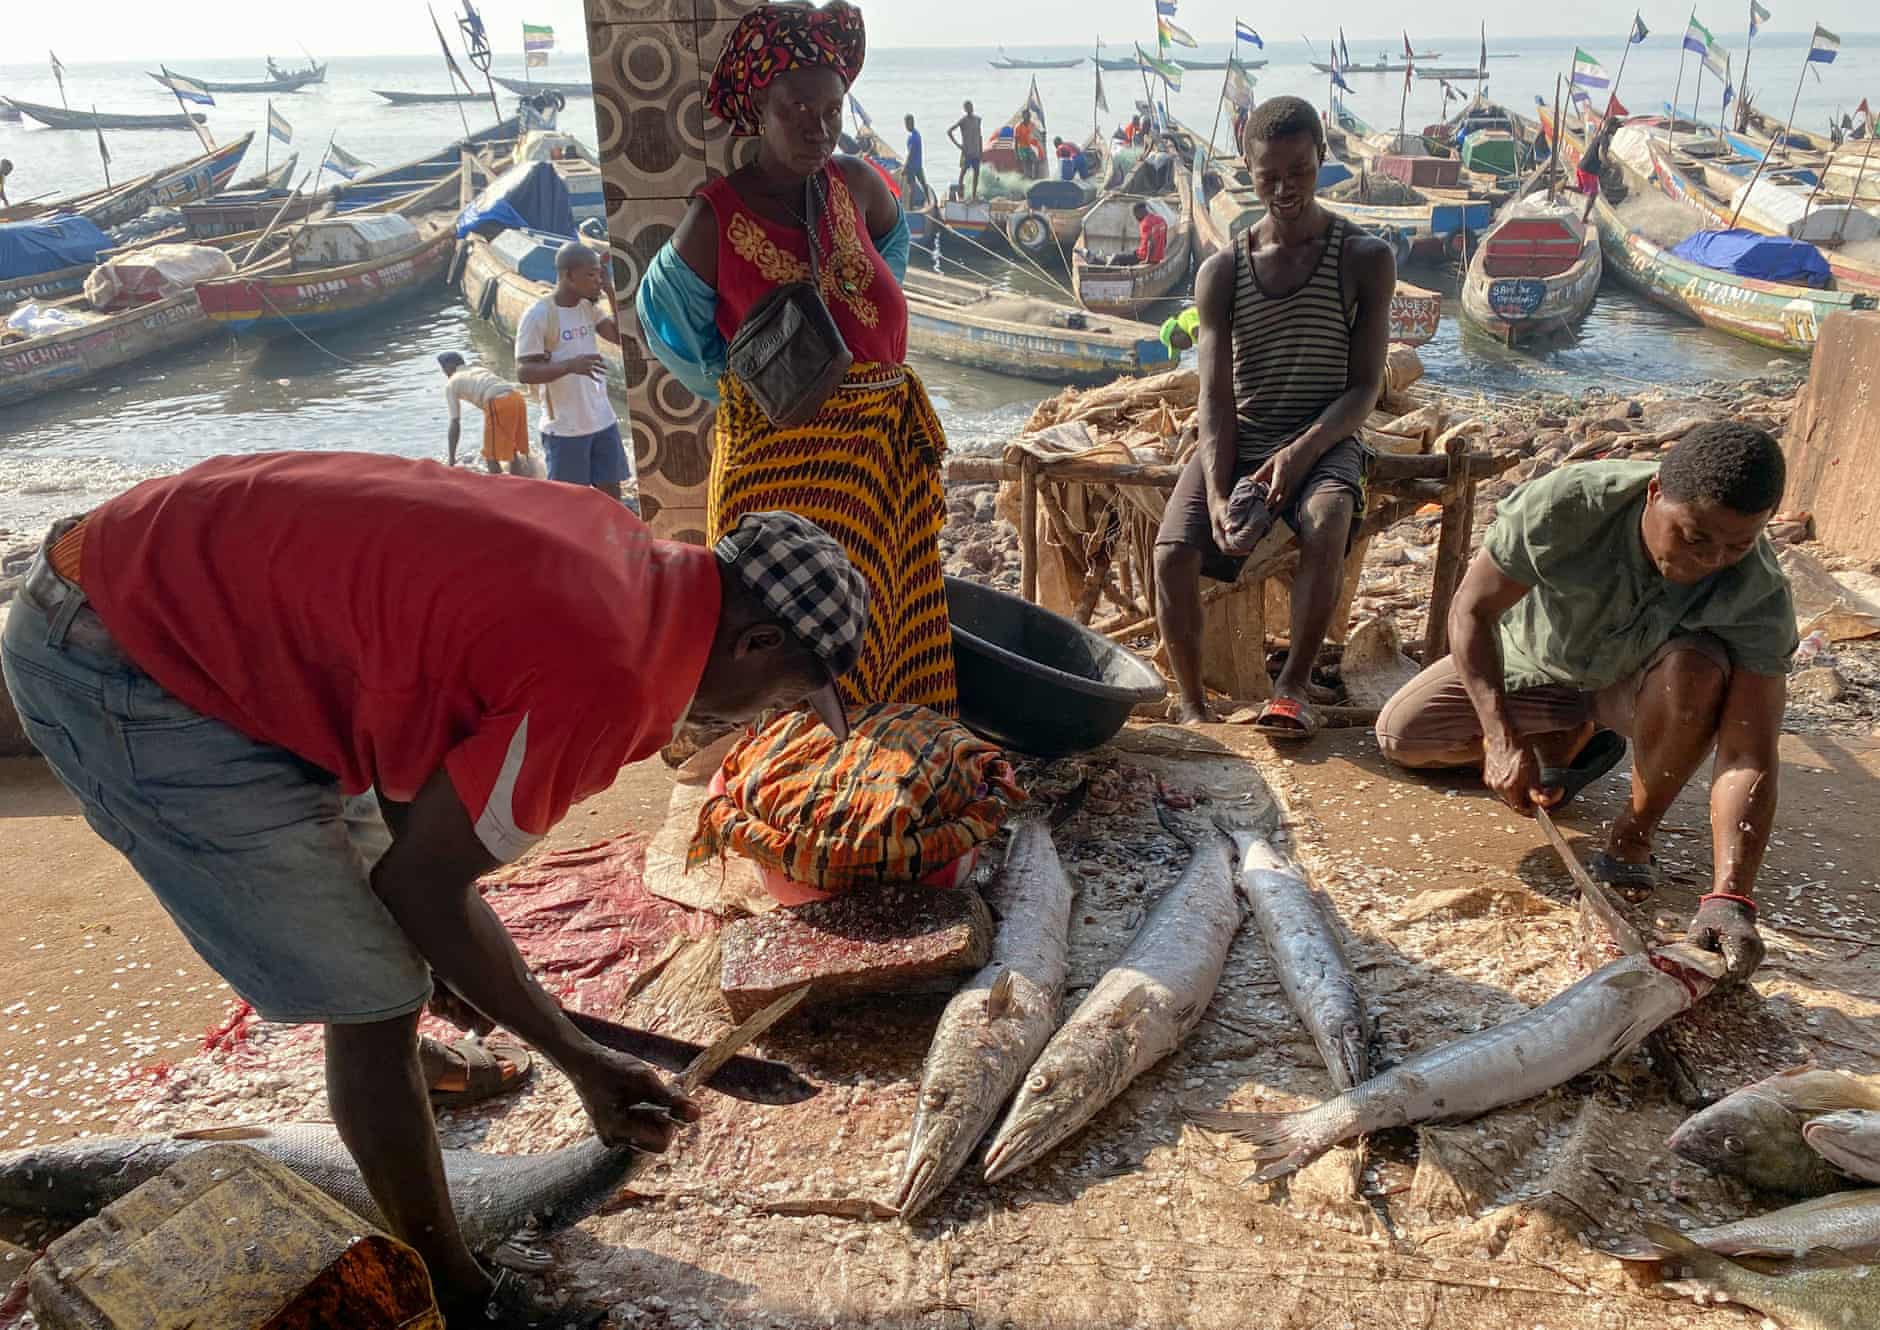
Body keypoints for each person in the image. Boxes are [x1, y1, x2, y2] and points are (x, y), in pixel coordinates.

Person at [0, 456, 869, 1324]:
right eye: (780, 700)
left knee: (396, 938)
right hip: (124, 650)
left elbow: (414, 728)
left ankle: (397, 1079)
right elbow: (422, 883)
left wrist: (442, 948)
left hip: (160, 563)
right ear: (757, 643)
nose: (760, 722)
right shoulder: (612, 674)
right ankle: (453, 1284)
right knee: (374, 998)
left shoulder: (624, 548)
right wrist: (577, 1057)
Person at [1374, 423, 1796, 983]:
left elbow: (1748, 750)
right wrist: (1499, 739)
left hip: (1640, 690)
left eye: (1738, 545)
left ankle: (1634, 834)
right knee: (1403, 736)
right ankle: (1576, 741)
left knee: (1695, 671)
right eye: (1695, 538)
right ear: (1654, 495)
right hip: (1536, 666)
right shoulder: (1568, 504)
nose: (1713, 560)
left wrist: (1731, 897)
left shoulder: (1759, 591)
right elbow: (1471, 611)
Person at [636, 0, 958, 717]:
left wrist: (860, 337)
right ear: (759, 105)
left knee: (878, 624)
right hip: (777, 472)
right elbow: (670, 330)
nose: (818, 127)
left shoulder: (861, 185)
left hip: (876, 460)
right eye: (797, 108)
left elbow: (889, 259)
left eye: (833, 109)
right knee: (779, 646)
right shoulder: (713, 217)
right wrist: (748, 389)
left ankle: (882, 776)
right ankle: (803, 788)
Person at [1153, 95, 1395, 733]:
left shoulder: (1363, 258)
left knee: (1328, 514)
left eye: (1301, 172)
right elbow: (1215, 397)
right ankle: (1192, 704)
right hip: (1249, 431)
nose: (1285, 188)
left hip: (1328, 432)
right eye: (1269, 176)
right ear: (1247, 168)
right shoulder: (1222, 272)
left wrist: (1302, 451)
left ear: (1322, 159)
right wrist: (1216, 488)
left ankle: (1292, 688)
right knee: (1173, 553)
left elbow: (1365, 387)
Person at [514, 242, 635, 506]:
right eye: (591, 274)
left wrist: (611, 291)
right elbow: (524, 371)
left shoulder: (587, 308)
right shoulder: (539, 315)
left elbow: (620, 338)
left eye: (599, 273)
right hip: (565, 430)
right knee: (571, 505)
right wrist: (570, 366)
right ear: (568, 275)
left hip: (602, 421)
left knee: (612, 500)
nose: (597, 280)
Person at [437, 352, 532, 476]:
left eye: (443, 368)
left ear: (449, 366)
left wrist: (451, 459)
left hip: (498, 402)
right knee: (511, 451)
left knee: (490, 456)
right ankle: (521, 484)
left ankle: (502, 491)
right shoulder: (478, 369)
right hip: (517, 399)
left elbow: (455, 422)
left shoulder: (452, 383)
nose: (444, 373)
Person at [1578, 119, 1616, 224]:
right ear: (1610, 127)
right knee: (1593, 194)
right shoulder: (1605, 139)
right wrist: (1610, 165)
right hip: (1589, 169)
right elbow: (1601, 155)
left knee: (1582, 190)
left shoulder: (1599, 136)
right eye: (1615, 128)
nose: (1616, 130)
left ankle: (1563, 187)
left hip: (1582, 166)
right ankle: (1584, 219)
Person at [949, 98, 984, 201]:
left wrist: (981, 150)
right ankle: (960, 193)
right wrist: (958, 145)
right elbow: (950, 132)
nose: (970, 109)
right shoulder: (963, 121)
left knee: (976, 173)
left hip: (976, 151)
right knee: (963, 172)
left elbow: (980, 135)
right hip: (967, 152)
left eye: (971, 106)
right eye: (967, 107)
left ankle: (973, 195)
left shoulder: (978, 120)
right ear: (965, 109)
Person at [902, 113, 933, 208]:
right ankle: (929, 201)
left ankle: (910, 209)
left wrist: (905, 167)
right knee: (924, 183)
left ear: (909, 123)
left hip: (911, 167)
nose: (906, 126)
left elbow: (910, 154)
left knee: (912, 188)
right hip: (918, 165)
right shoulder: (917, 134)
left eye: (907, 123)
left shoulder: (912, 137)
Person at [1129, 199, 1168, 265]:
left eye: (1135, 215)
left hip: (1143, 257)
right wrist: (1159, 254)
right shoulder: (1161, 220)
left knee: (1116, 257)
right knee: (1134, 252)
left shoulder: (1145, 223)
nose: (1136, 218)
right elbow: (1164, 241)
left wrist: (1147, 260)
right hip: (1158, 257)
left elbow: (1150, 242)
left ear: (1139, 212)